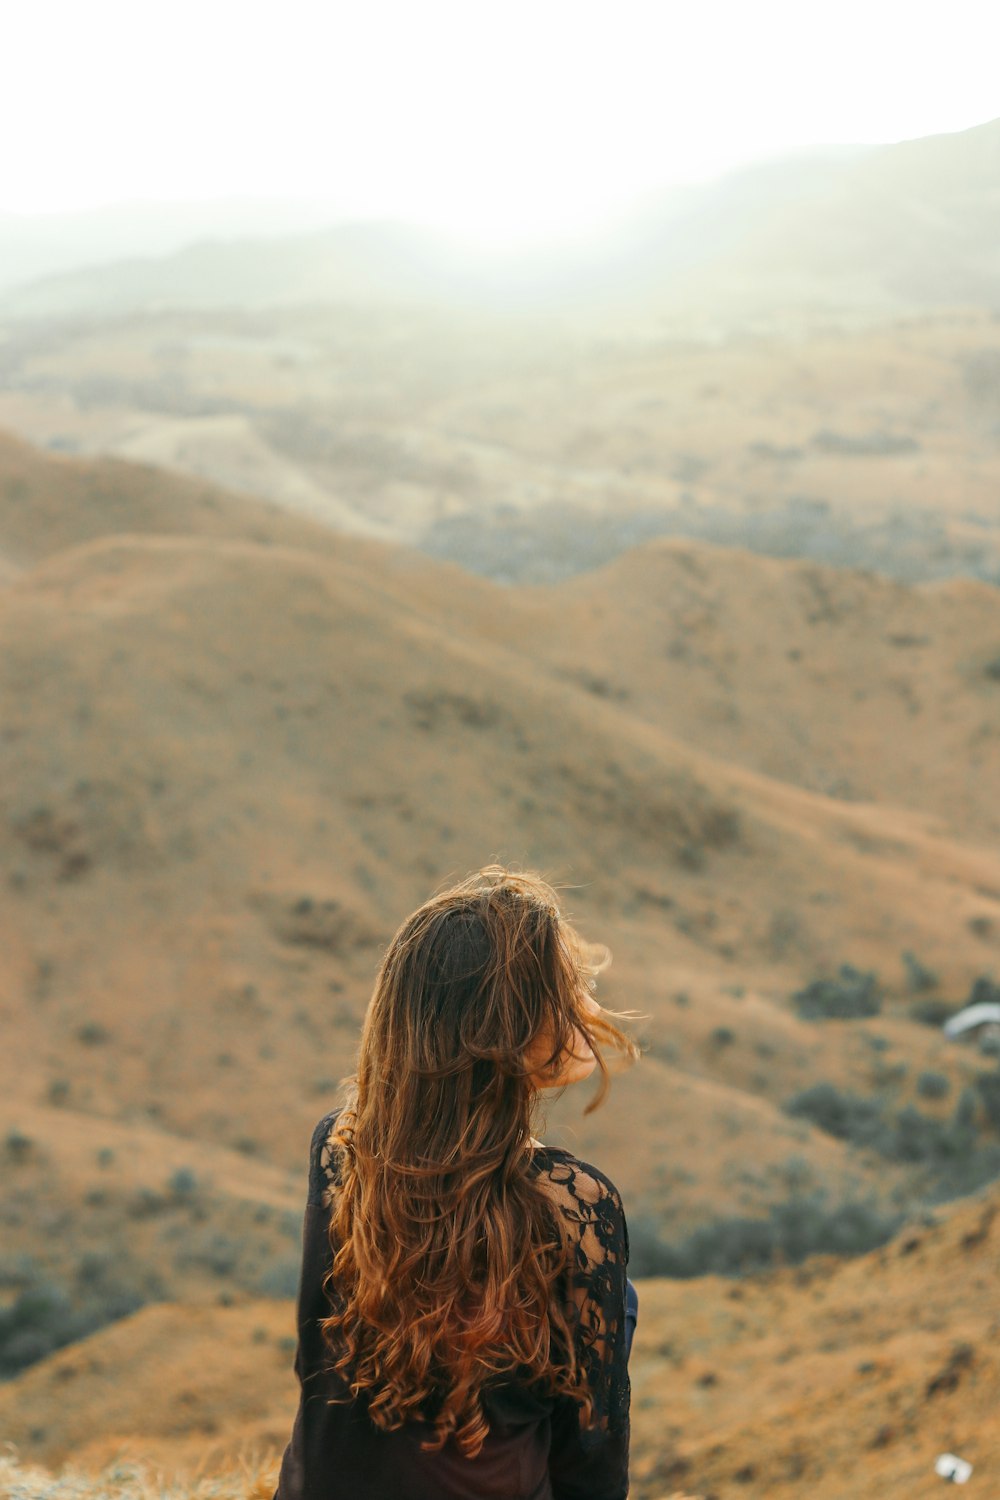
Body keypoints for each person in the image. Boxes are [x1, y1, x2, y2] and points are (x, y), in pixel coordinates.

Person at [274, 865, 640, 1500]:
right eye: (567, 986)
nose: (588, 1006)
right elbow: (592, 1456)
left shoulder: (342, 1146)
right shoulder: (574, 1204)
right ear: (505, 1029)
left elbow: (318, 1369)